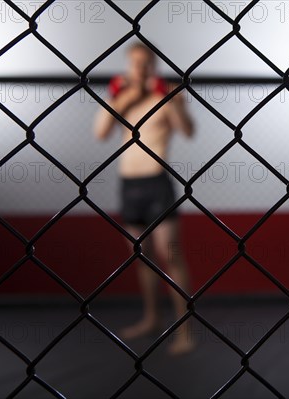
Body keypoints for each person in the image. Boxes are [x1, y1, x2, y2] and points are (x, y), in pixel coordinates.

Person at [93, 42, 195, 355]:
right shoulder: (121, 96)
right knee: (141, 258)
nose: (140, 69)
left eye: (145, 63)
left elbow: (187, 130)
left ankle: (184, 332)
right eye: (134, 63)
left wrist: (172, 99)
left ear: (153, 66)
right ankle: (151, 319)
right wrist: (126, 97)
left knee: (171, 256)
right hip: (129, 186)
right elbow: (101, 131)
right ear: (128, 66)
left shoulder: (165, 97)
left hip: (157, 184)